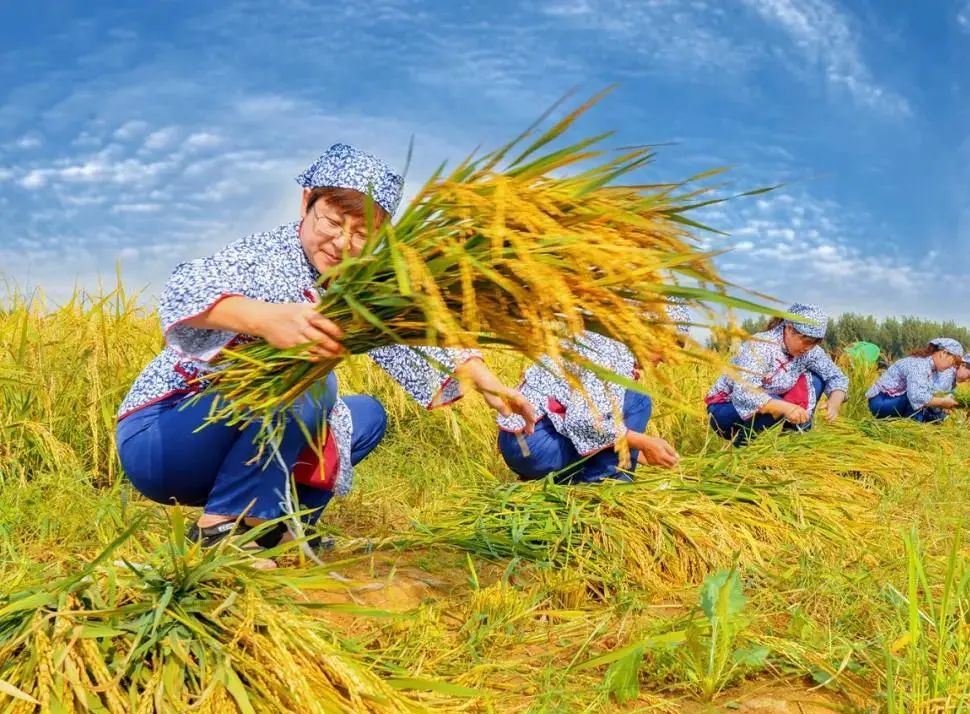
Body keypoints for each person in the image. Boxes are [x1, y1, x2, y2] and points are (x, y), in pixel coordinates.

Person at [116, 144, 535, 550]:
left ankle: (273, 530)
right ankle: (219, 530)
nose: (341, 243)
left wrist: (488, 384)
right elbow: (184, 288)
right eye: (333, 222)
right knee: (312, 378)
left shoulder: (353, 286)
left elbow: (406, 337)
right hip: (165, 435)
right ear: (306, 203)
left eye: (361, 234)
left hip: (230, 441)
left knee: (367, 416)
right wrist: (263, 318)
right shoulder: (263, 255)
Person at [496, 304, 690, 483]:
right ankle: (606, 483)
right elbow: (583, 422)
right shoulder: (614, 352)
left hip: (518, 444)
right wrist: (643, 441)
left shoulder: (597, 338)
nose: (666, 358)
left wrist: (636, 452)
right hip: (539, 443)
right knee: (639, 400)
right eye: (669, 346)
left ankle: (564, 480)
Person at [705, 303, 848, 446]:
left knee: (816, 381)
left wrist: (835, 401)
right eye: (807, 341)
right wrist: (786, 407)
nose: (809, 348)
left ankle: (793, 438)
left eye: (815, 343)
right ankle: (743, 446)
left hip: (768, 408)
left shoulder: (810, 352)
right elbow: (744, 392)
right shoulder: (761, 345)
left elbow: (836, 376)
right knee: (777, 403)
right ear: (789, 329)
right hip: (726, 410)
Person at [865, 338, 964, 422]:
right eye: (954, 361)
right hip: (880, 402)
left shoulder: (929, 366)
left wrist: (941, 405)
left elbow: (928, 395)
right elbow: (916, 395)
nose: (952, 366)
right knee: (917, 401)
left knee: (930, 410)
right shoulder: (920, 365)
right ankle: (913, 428)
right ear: (943, 353)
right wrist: (942, 402)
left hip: (892, 400)